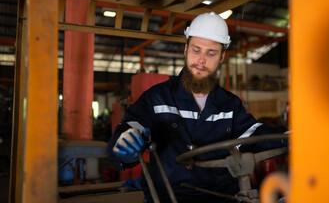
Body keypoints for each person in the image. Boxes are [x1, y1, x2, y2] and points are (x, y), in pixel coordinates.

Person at [108, 12, 287, 203]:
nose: (201, 60)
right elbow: (130, 127)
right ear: (185, 50)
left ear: (221, 57)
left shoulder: (229, 104)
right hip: (170, 196)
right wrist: (124, 143)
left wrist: (289, 138)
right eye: (196, 50)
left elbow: (254, 136)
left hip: (221, 197)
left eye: (211, 53)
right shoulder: (157, 98)